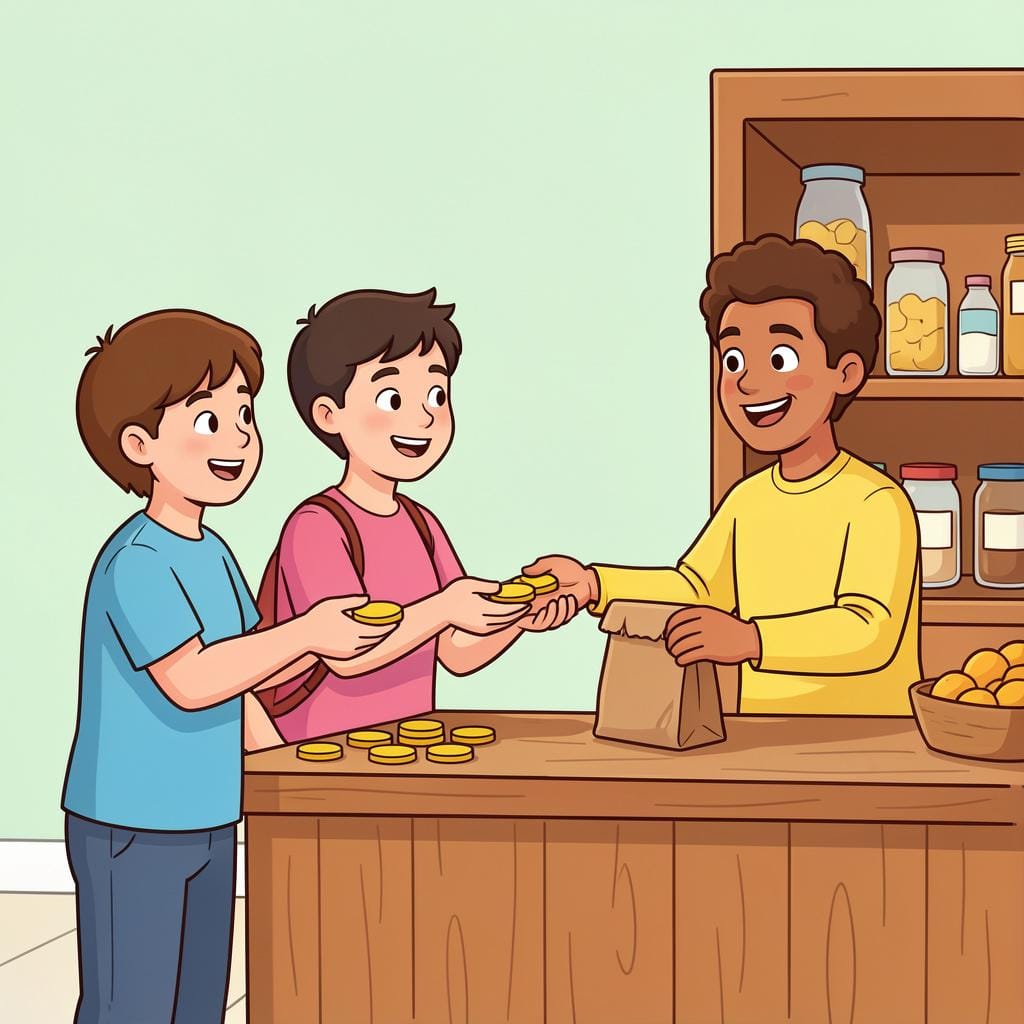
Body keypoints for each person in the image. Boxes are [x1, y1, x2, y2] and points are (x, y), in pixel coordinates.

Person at [63, 309, 395, 1024]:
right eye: (208, 418)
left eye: (245, 413)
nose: (239, 436)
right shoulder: (137, 561)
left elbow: (242, 685)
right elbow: (193, 681)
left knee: (197, 1006)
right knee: (133, 1006)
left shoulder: (213, 554)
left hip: (211, 816)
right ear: (139, 443)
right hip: (131, 823)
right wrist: (308, 632)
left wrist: (289, 769)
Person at [527, 235, 922, 715]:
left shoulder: (876, 502)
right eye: (734, 360)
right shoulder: (748, 500)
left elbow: (867, 631)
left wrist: (751, 639)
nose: (749, 382)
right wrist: (593, 583)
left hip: (871, 741)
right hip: (762, 733)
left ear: (846, 372)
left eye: (781, 359)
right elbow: (695, 586)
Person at [256, 288, 576, 743]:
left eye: (435, 393)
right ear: (329, 415)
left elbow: (455, 651)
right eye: (391, 398)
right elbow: (347, 653)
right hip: (317, 756)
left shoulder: (422, 525)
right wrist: (447, 605)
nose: (424, 416)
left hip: (407, 746)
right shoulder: (317, 525)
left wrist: (519, 618)